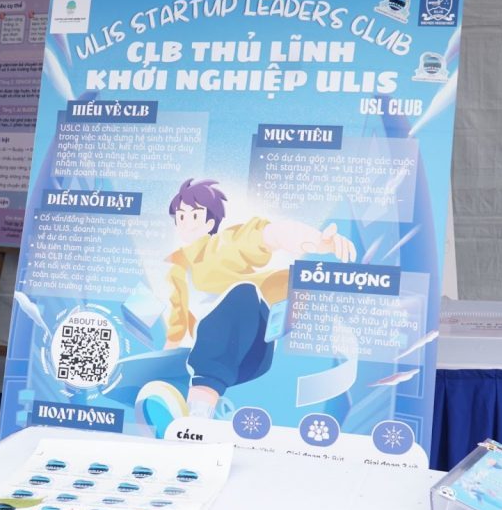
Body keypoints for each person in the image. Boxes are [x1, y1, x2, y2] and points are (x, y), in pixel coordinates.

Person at [135, 179, 357, 434]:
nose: (186, 222)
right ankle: (189, 408)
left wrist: (316, 241)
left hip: (250, 349)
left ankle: (198, 416)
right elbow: (176, 324)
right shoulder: (176, 269)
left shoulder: (220, 248)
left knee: (243, 293)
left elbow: (265, 236)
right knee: (181, 360)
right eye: (181, 217)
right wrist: (163, 365)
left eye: (194, 215)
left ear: (210, 222)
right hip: (201, 361)